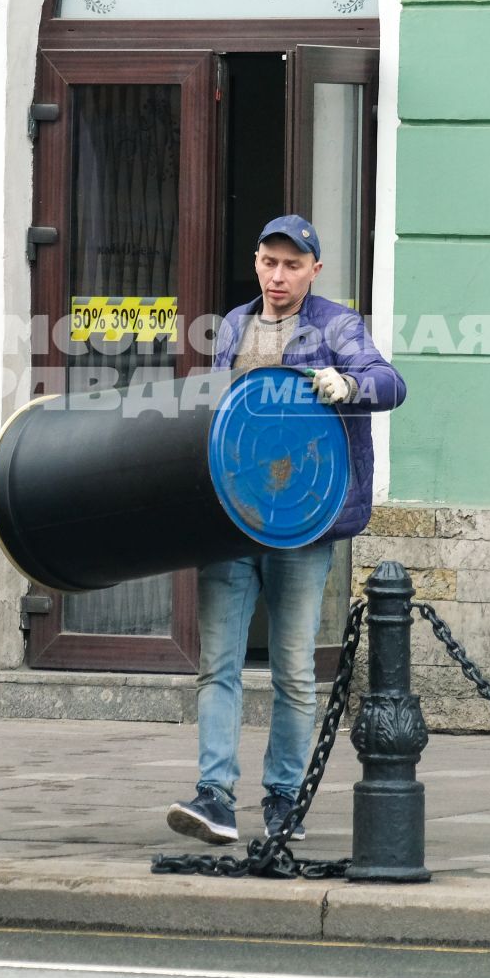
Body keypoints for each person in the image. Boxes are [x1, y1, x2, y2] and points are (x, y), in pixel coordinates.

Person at [167, 215, 407, 845]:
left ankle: (282, 800)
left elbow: (391, 383)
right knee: (216, 664)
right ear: (256, 263)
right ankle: (214, 795)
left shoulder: (336, 324)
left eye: (292, 266)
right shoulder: (234, 327)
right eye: (270, 263)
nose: (279, 276)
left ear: (314, 271)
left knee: (294, 670)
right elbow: (217, 415)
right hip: (231, 517)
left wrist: (348, 381)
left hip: (303, 521)